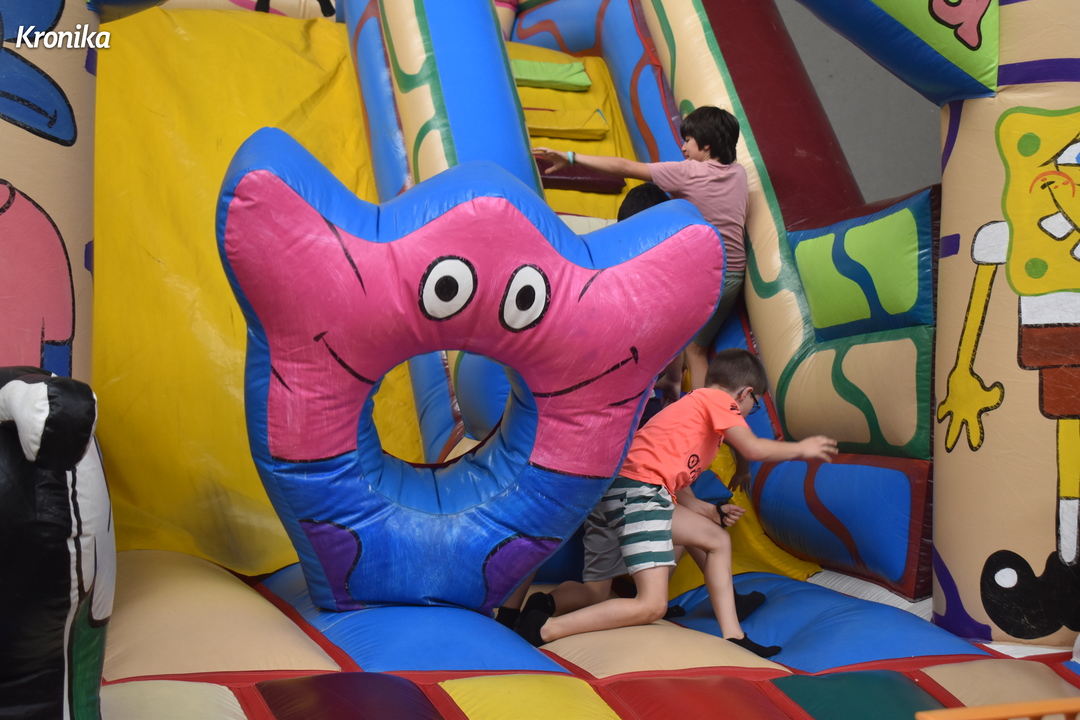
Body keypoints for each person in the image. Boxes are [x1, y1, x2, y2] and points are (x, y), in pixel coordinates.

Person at [514, 349, 837, 657]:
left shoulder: (692, 410)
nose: (747, 414)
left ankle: (733, 635)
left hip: (618, 494)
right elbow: (752, 447)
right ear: (744, 394)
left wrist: (740, 472)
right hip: (639, 494)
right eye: (752, 406)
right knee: (652, 605)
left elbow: (718, 458)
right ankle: (545, 629)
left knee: (713, 540)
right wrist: (802, 449)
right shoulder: (718, 401)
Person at [533, 106, 749, 391]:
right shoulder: (739, 173)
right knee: (692, 340)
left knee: (686, 343)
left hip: (708, 273)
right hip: (735, 276)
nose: (683, 147)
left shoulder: (688, 172)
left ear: (706, 145)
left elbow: (625, 168)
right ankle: (675, 384)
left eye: (688, 141)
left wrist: (571, 158)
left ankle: (688, 399)